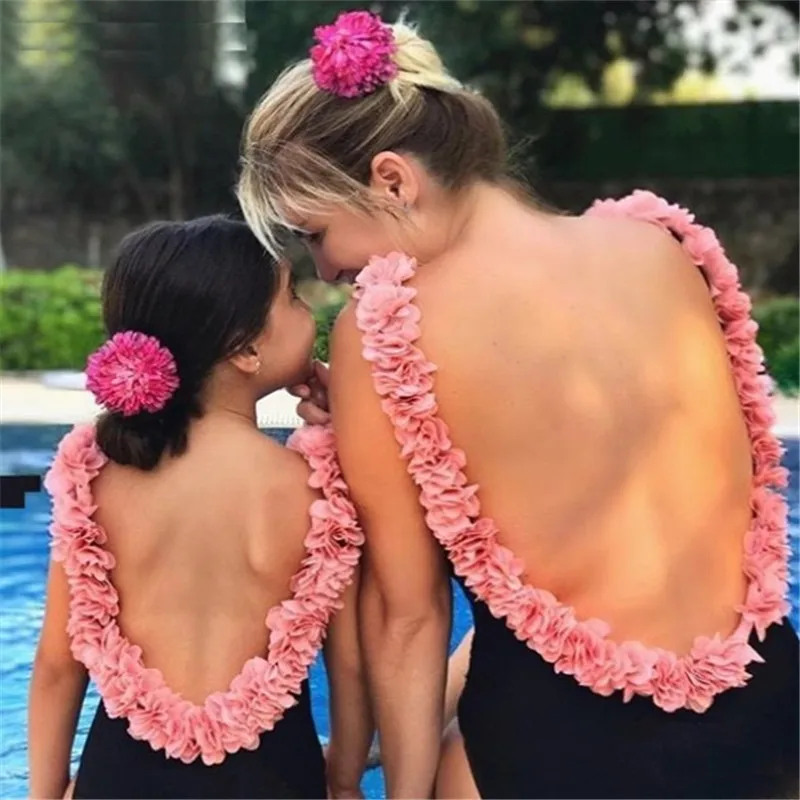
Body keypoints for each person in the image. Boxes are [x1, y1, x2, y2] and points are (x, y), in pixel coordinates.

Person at [238, 10, 799, 799]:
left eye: (314, 232)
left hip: (566, 754)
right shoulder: (662, 247)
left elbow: (409, 618)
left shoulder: (385, 332)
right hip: (767, 718)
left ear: (393, 181)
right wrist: (374, 414)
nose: (325, 269)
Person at [28, 216, 372, 799]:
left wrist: (44, 793)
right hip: (276, 780)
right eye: (291, 296)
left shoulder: (98, 478)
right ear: (245, 348)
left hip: (121, 780)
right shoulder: (315, 487)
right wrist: (342, 782)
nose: (308, 307)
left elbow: (59, 666)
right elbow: (351, 668)